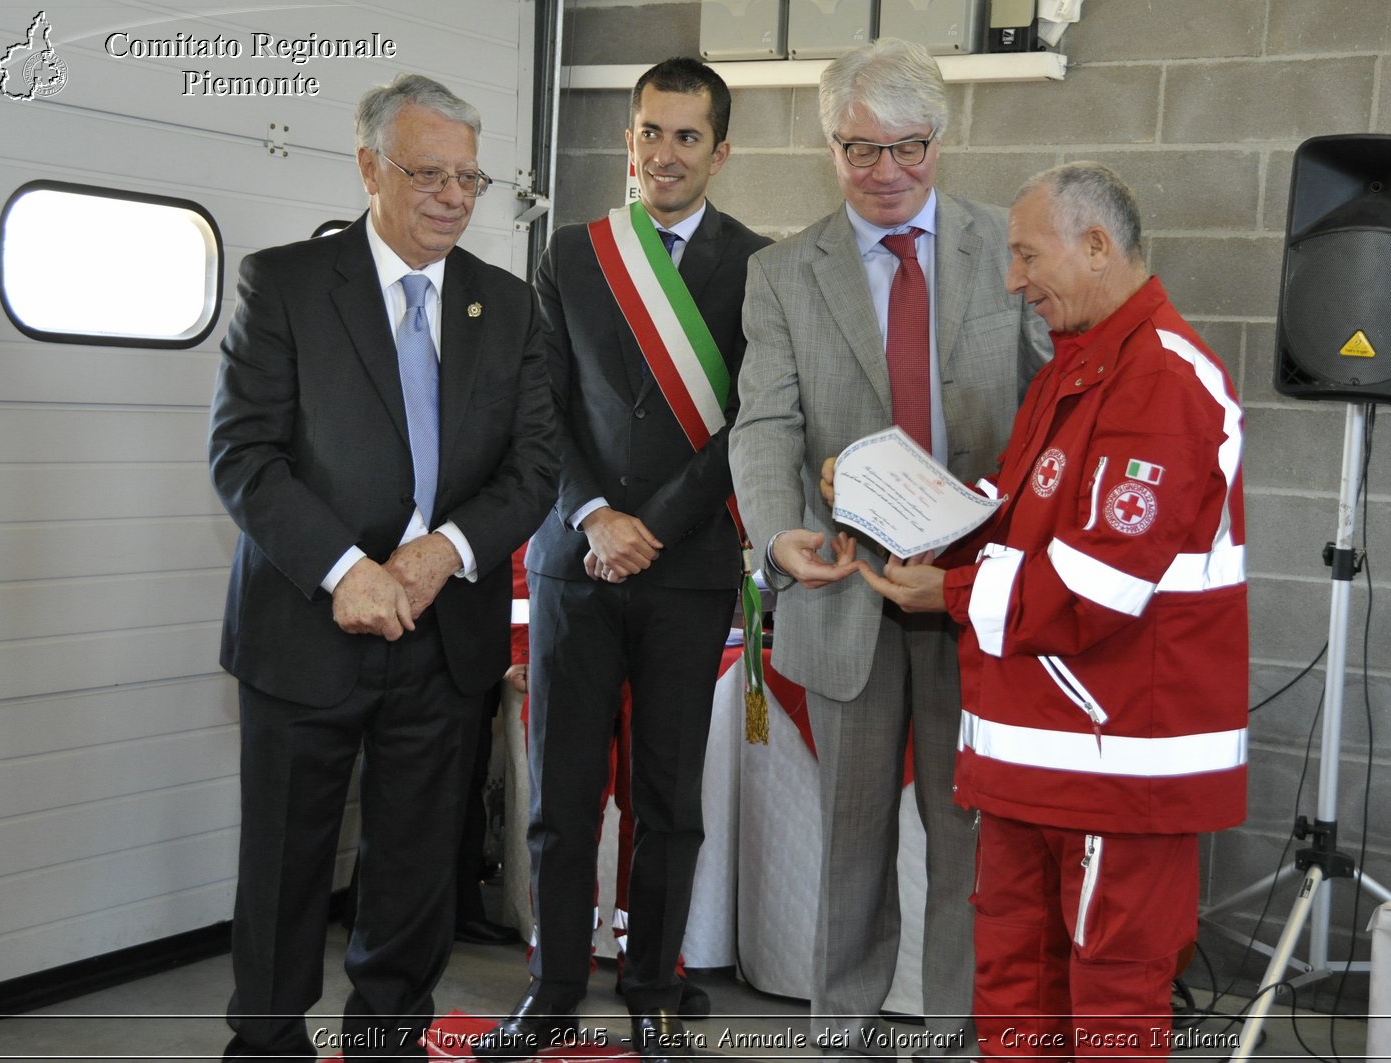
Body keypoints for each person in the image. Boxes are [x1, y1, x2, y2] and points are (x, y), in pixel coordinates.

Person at [859, 162, 1249, 1057]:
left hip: (1114, 774)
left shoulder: (1162, 380)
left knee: (1110, 1003)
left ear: (1098, 246)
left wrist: (946, 592)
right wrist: (894, 510)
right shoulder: (1077, 367)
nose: (1011, 279)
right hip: (1035, 763)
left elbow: (1096, 588)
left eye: (1028, 255)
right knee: (1016, 989)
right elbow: (1007, 510)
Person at [208, 73, 557, 1060]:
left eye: (470, 179)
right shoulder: (284, 286)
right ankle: (267, 1041)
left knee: (413, 869)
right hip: (304, 628)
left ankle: (388, 1039)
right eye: (428, 174)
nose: (453, 197)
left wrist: (444, 553)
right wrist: (344, 569)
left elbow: (536, 465)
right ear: (368, 167)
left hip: (442, 636)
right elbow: (244, 453)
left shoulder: (509, 307)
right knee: (284, 863)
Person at [728, 37, 1046, 1060]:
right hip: (843, 590)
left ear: (939, 140)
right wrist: (778, 531)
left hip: (969, 593)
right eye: (858, 150)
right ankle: (842, 1030)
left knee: (969, 845)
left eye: (905, 146)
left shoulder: (1007, 251)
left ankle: (958, 1034)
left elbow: (1051, 415)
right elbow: (763, 424)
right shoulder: (781, 272)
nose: (885, 172)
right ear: (829, 147)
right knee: (852, 841)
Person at [476, 57, 769, 1063]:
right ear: (628, 140)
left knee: (667, 796)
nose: (665, 153)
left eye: (687, 136)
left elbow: (748, 423)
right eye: (650, 132)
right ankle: (552, 991)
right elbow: (540, 403)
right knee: (561, 796)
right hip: (575, 560)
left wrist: (656, 522)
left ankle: (651, 985)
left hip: (686, 569)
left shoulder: (755, 263)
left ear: (720, 151)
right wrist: (596, 514)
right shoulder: (571, 253)